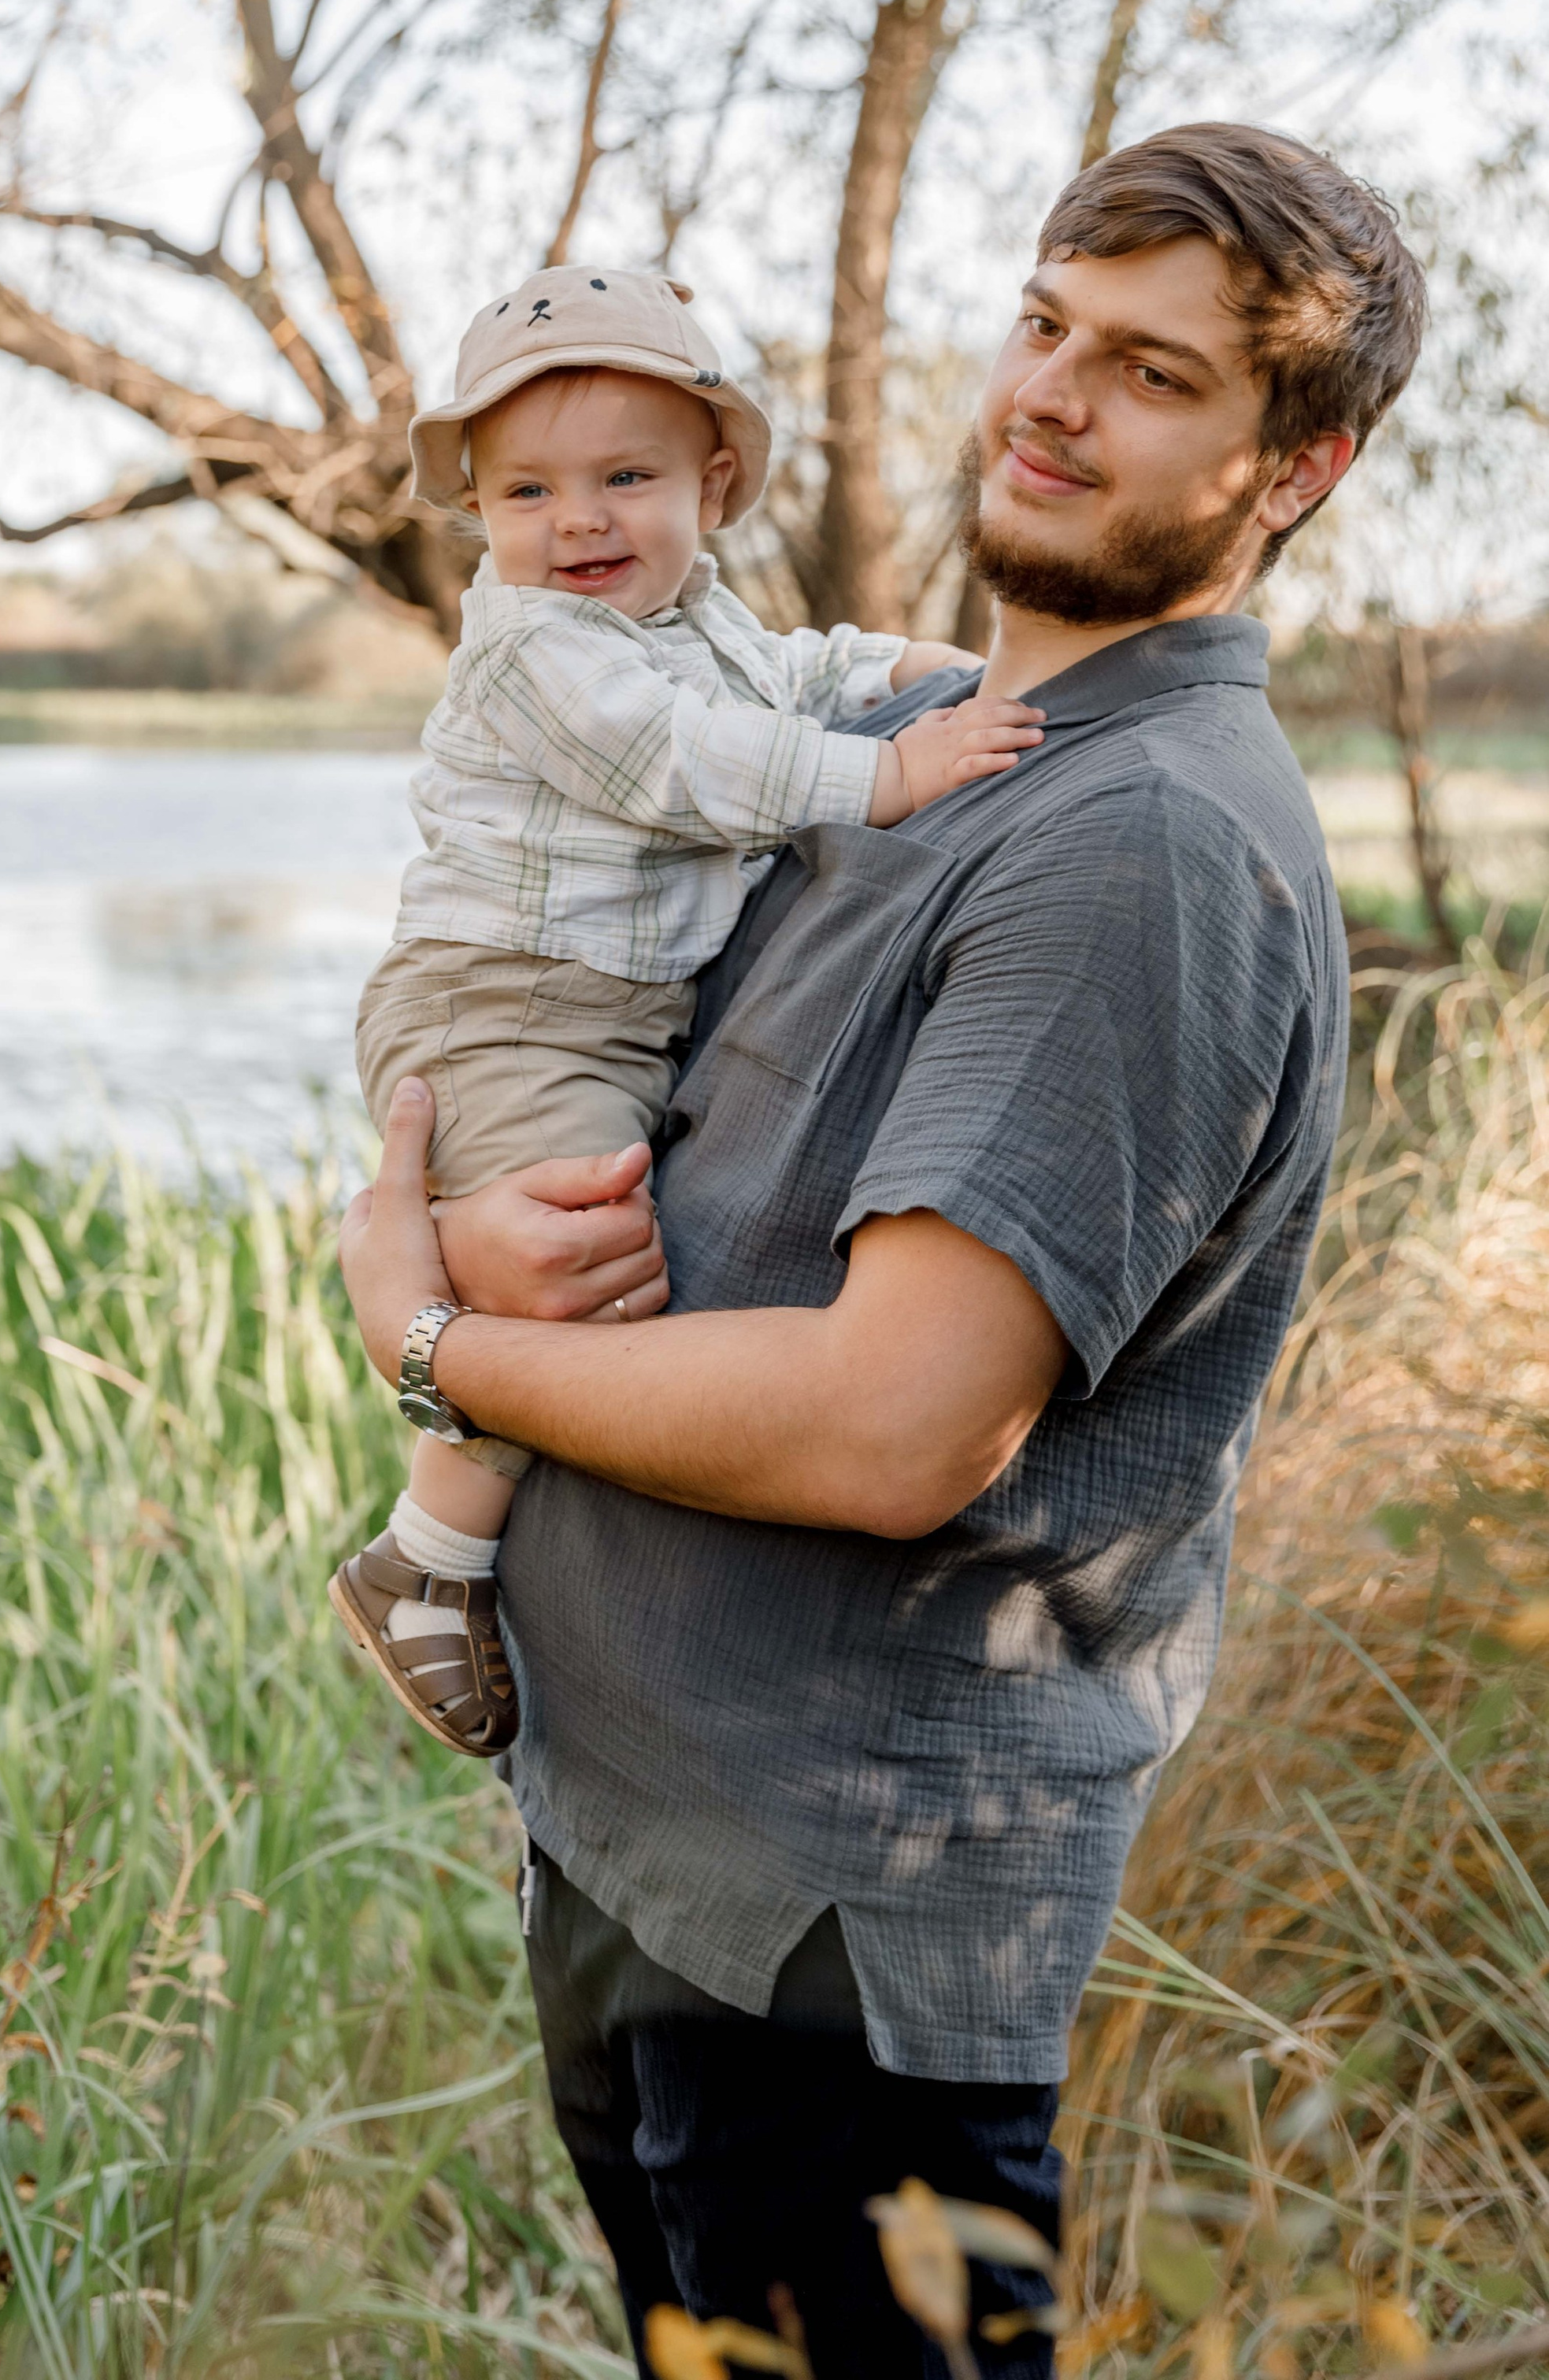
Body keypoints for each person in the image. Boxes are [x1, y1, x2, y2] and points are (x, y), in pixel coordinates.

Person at [338, 124, 1426, 2378]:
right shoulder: (933, 740)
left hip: (838, 1944)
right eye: (1045, 322)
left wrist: (430, 1342)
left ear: (1293, 469)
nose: (1049, 393)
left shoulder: (1133, 839)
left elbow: (894, 1427)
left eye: (1150, 373)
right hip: (667, 1864)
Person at [332, 266, 1042, 1754]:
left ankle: (465, 1535)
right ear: (480, 512)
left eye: (625, 477)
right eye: (526, 490)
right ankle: (429, 1555)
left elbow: (803, 672)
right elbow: (682, 760)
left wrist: (945, 675)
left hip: (607, 1007)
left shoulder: (703, 623)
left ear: (712, 487)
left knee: (595, 1248)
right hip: (506, 1006)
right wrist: (892, 775)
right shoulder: (533, 647)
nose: (575, 520)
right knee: (573, 1265)